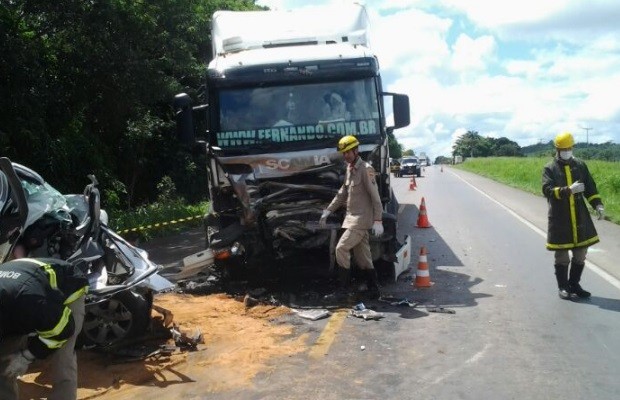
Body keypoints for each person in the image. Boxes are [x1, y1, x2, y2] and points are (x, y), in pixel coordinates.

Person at [0, 257, 88, 400]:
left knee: (62, 356)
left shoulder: (33, 303)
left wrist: (26, 356)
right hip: (19, 283)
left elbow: (64, 329)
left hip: (67, 287)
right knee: (4, 358)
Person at [319, 135, 384, 299]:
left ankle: (343, 290)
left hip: (360, 221)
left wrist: (378, 220)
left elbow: (375, 197)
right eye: (344, 153)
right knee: (363, 258)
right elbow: (342, 193)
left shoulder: (366, 169)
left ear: (356, 150)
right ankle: (374, 289)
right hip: (351, 219)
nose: (346, 155)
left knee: (341, 248)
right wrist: (328, 210)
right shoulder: (350, 169)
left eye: (348, 152)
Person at [542, 132, 604, 300]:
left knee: (581, 254)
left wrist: (598, 204)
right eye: (563, 149)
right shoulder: (550, 168)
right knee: (562, 256)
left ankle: (574, 284)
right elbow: (547, 190)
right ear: (557, 149)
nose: (567, 151)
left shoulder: (580, 165)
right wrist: (567, 190)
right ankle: (563, 287)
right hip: (560, 218)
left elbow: (590, 187)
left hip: (580, 217)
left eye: (569, 148)